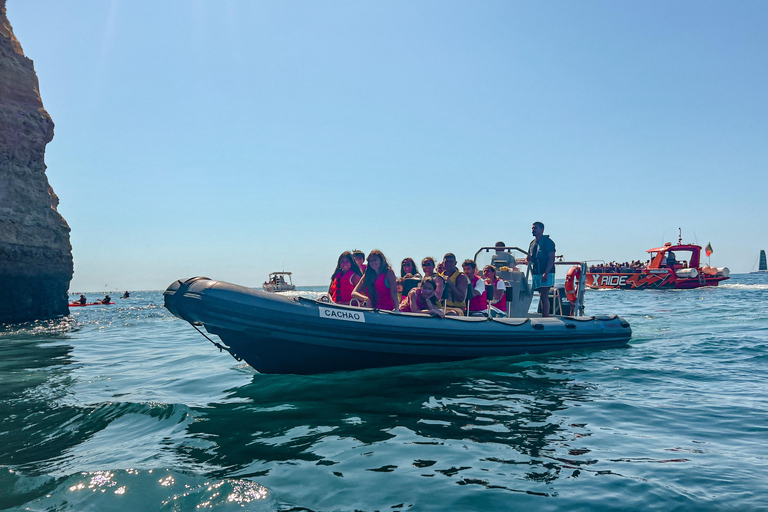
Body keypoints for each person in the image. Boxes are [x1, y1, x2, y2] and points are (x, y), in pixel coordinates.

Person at [529, 221, 556, 317]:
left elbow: (551, 258)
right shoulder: (532, 243)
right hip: (537, 272)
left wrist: (546, 273)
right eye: (532, 228)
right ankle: (543, 314)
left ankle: (546, 316)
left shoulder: (548, 242)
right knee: (540, 294)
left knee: (544, 294)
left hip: (546, 271)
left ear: (542, 230)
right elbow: (531, 257)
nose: (533, 230)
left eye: (535, 228)